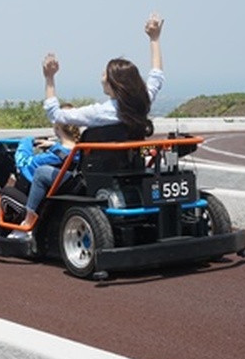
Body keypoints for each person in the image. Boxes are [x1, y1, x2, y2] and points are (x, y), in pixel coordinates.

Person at [9, 13, 165, 238]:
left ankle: (27, 225)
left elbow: (55, 113)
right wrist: (155, 38)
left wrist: (49, 77)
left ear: (113, 84)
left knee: (43, 172)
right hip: (130, 170)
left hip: (91, 179)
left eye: (104, 74)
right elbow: (156, 76)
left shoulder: (99, 112)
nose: (101, 77)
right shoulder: (142, 103)